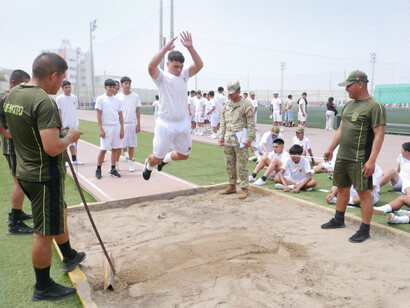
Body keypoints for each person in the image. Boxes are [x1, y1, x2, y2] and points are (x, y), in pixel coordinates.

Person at [3, 53, 85, 301]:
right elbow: (52, 146)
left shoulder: (14, 94)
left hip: (25, 170)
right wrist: (69, 137)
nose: (62, 83)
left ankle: (68, 255)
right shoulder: (43, 101)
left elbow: (24, 129)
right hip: (43, 175)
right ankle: (43, 286)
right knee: (43, 232)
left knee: (58, 212)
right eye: (62, 78)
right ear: (53, 75)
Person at [321, 70, 386, 243]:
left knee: (364, 194)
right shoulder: (348, 105)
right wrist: (331, 149)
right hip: (342, 156)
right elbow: (341, 129)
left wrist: (371, 160)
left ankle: (364, 229)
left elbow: (379, 134)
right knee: (342, 189)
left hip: (360, 158)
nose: (346, 89)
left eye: (349, 86)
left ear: (360, 84)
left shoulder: (374, 106)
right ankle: (338, 219)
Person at [143, 31, 203, 180]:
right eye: (175, 66)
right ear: (168, 64)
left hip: (182, 122)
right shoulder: (162, 77)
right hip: (165, 123)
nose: (179, 70)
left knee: (184, 155)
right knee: (155, 158)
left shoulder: (184, 74)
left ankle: (164, 160)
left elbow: (199, 65)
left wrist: (190, 47)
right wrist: (164, 49)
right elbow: (151, 66)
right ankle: (149, 165)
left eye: (181, 66)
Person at [0, 69, 33, 235]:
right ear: (13, 83)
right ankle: (15, 224)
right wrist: (5, 132)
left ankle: (17, 213)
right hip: (11, 146)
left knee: (20, 181)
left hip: (17, 145)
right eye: (23, 85)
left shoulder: (11, 96)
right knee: (19, 182)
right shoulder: (5, 97)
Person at [218, 80, 255, 199]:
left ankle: (244, 188)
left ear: (239, 91)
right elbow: (223, 121)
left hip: (241, 140)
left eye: (232, 93)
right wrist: (221, 136)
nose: (230, 95)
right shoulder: (226, 105)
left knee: (242, 165)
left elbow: (251, 124)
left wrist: (249, 139)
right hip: (228, 140)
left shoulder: (246, 105)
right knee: (229, 164)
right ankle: (232, 186)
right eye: (228, 93)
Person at [95, 79, 124, 179]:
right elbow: (99, 115)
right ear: (105, 87)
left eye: (113, 87)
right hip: (106, 127)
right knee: (103, 149)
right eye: (109, 87)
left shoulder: (118, 100)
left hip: (116, 126)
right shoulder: (100, 99)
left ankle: (113, 168)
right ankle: (98, 169)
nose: (111, 89)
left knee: (115, 148)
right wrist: (101, 129)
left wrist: (122, 129)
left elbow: (120, 116)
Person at [56, 80, 84, 165]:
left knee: (74, 142)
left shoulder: (74, 97)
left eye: (69, 87)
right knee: (65, 142)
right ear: (62, 88)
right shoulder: (59, 98)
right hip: (65, 124)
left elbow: (74, 109)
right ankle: (65, 160)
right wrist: (61, 125)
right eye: (66, 87)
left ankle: (74, 160)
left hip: (74, 123)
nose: (68, 89)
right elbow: (59, 112)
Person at [116, 76, 141, 172]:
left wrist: (138, 124)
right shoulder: (118, 97)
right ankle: (116, 164)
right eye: (125, 83)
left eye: (129, 83)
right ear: (121, 84)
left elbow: (137, 111)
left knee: (131, 145)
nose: (128, 85)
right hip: (121, 124)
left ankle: (130, 163)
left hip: (132, 124)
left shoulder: (135, 96)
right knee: (119, 145)